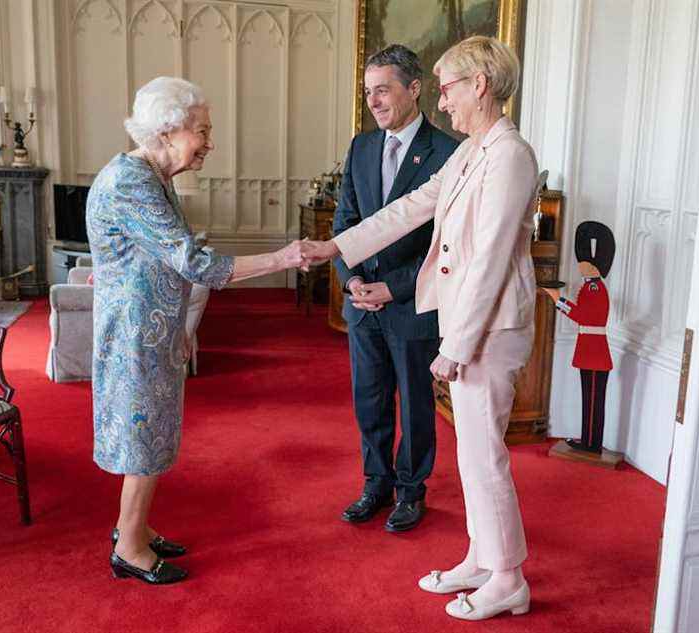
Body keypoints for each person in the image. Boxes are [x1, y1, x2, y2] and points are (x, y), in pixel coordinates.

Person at [302, 36, 539, 621]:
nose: (444, 99)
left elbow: (488, 258)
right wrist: (334, 245)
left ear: (479, 85)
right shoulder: (472, 152)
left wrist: (456, 345)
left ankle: (508, 578)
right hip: (469, 322)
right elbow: (406, 210)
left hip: (488, 328)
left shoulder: (510, 154)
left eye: (450, 86)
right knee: (472, 455)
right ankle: (483, 558)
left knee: (485, 457)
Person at [87, 76, 309, 585]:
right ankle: (130, 548)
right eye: (202, 131)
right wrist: (282, 257)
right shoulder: (131, 182)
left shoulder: (153, 178)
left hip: (152, 327)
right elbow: (193, 262)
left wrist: (182, 323)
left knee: (154, 433)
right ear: (167, 131)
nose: (209, 142)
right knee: (143, 436)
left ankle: (133, 528)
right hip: (135, 335)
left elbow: (155, 259)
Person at [333, 44, 459, 532]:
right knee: (370, 398)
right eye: (368, 92)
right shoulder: (361, 147)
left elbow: (446, 244)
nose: (374, 101)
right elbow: (349, 220)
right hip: (362, 303)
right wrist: (353, 280)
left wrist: (394, 287)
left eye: (382, 90)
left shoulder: (448, 153)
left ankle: (411, 490)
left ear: (414, 88)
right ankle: (376, 483)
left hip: (413, 303)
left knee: (415, 402)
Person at [542, 221, 616, 453]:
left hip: (594, 350)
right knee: (590, 399)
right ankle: (588, 440)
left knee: (593, 400)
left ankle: (591, 443)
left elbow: (583, 316)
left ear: (595, 268)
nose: (581, 268)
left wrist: (558, 300)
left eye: (584, 265)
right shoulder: (590, 286)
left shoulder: (595, 288)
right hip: (590, 348)